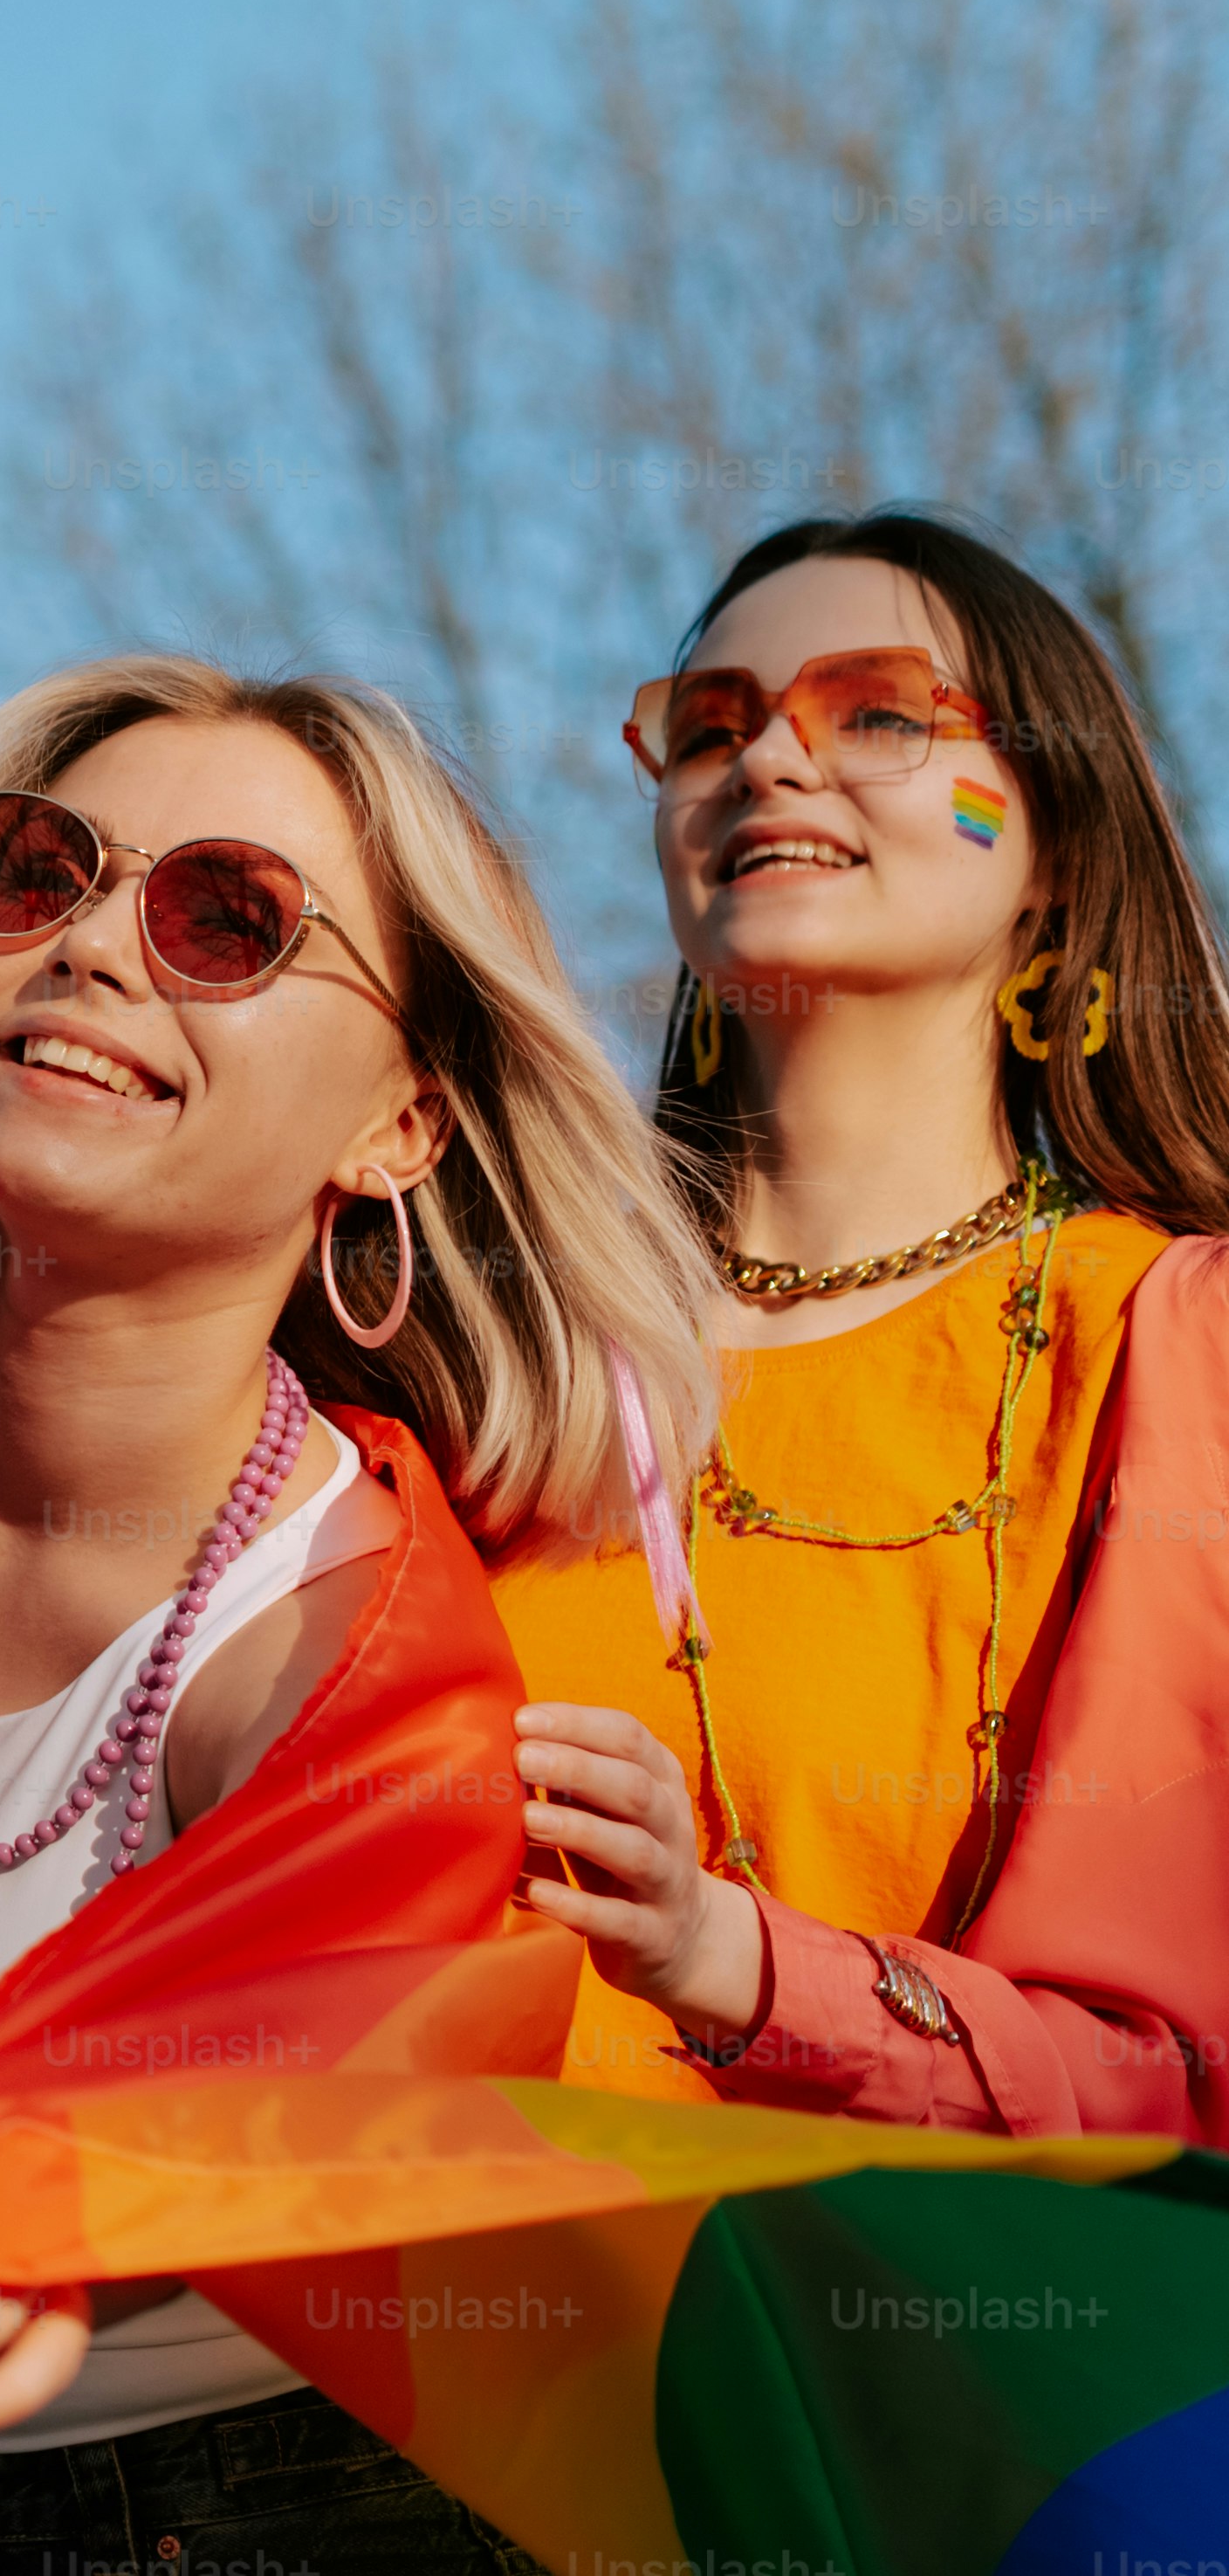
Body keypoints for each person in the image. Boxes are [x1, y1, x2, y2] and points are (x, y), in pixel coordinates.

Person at [0, 660, 711, 2568]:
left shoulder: (357, 1665)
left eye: (223, 919)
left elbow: (302, 2125)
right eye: (33, 870)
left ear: (398, 1122)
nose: (85, 944)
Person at [501, 512, 1229, 2132]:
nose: (765, 758)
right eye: (707, 723)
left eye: (878, 711)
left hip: (997, 2354)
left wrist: (741, 1965)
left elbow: (1178, 2082)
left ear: (1057, 840)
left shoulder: (1173, 1343)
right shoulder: (502, 1337)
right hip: (455, 2343)